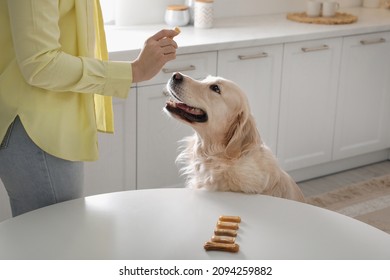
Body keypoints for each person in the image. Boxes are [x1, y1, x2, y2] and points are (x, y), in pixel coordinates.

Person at [0, 0, 179, 217]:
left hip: (47, 124)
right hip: (37, 128)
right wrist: (134, 70)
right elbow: (40, 64)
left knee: (51, 241)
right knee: (56, 242)